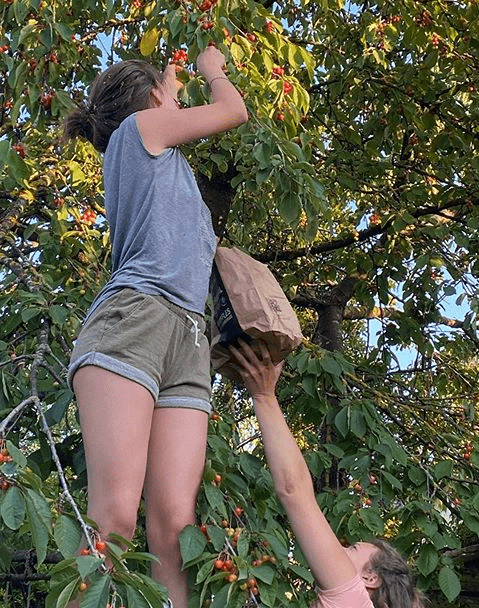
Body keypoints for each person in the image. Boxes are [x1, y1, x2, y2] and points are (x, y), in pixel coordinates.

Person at [62, 46, 248, 608]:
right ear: (150, 98)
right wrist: (214, 69)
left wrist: (171, 80)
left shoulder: (157, 156)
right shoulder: (143, 129)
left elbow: (171, 103)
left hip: (188, 338)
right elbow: (233, 109)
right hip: (136, 320)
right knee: (114, 515)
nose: (179, 99)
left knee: (174, 528)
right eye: (171, 92)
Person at [228, 339, 424, 608]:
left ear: (370, 578)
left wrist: (264, 395)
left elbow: (293, 491)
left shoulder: (352, 598)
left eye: (352, 550)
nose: (340, 551)